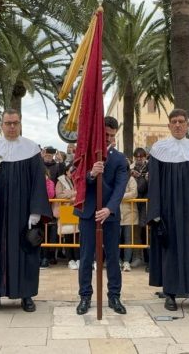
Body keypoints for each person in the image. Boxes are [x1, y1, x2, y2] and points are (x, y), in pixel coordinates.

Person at [0, 109, 52, 314]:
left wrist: (36, 211)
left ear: (20, 123)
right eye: (7, 123)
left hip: (22, 212)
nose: (11, 127)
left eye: (15, 123)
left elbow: (38, 182)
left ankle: (26, 295)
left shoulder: (31, 149)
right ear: (1, 124)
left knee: (25, 251)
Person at [147, 109, 189, 312]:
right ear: (168, 125)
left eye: (181, 122)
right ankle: (171, 294)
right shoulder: (159, 150)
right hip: (169, 211)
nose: (177, 125)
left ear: (187, 125)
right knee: (171, 252)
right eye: (174, 122)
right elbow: (154, 184)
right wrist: (155, 212)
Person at [75, 116, 129, 316]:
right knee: (86, 256)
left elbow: (120, 186)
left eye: (112, 136)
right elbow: (77, 178)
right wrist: (90, 174)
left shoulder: (120, 159)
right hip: (88, 213)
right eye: (105, 134)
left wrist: (109, 208)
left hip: (110, 215)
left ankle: (114, 296)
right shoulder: (87, 154)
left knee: (113, 257)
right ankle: (85, 296)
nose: (108, 139)